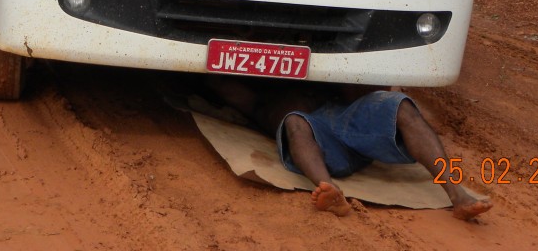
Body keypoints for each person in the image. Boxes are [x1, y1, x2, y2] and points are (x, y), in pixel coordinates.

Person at [206, 77, 492, 221]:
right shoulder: (260, 99)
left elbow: (369, 85)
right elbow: (219, 83)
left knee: (401, 106)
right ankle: (330, 192)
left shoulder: (325, 74)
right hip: (318, 141)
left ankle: (457, 194)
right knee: (294, 121)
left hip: (350, 120)